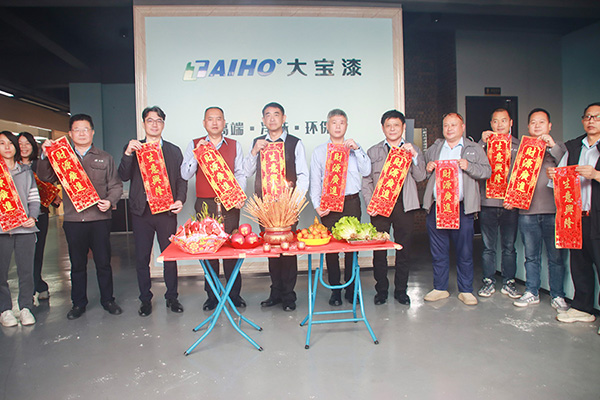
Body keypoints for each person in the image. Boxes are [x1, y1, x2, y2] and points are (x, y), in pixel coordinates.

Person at [38, 114, 123, 320]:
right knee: (77, 265)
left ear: (92, 132)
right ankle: (78, 303)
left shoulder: (105, 157)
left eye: (86, 129)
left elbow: (116, 185)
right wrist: (45, 156)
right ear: (70, 133)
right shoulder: (62, 158)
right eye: (77, 129)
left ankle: (108, 300)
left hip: (100, 219)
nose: (82, 133)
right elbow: (45, 177)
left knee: (103, 263)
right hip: (74, 221)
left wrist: (110, 201)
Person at [119, 106, 187, 317]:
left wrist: (180, 199)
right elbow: (123, 175)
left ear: (163, 124)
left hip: (166, 212)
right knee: (142, 257)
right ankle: (145, 299)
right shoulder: (134, 148)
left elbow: (181, 179)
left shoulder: (173, 151)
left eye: (158, 120)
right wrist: (128, 154)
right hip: (142, 211)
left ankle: (172, 297)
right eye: (150, 120)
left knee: (169, 256)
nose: (154, 124)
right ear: (143, 124)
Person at [244, 102, 309, 311]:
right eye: (268, 115)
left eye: (276, 114)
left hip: (287, 209)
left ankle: (289, 296)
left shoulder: (295, 143)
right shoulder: (258, 142)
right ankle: (275, 293)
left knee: (287, 252)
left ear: (284, 118)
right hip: (265, 209)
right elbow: (246, 171)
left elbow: (303, 176)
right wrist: (254, 151)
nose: (272, 119)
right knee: (271, 250)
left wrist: (293, 204)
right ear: (263, 120)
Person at [180, 106, 246, 311]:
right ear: (204, 123)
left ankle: (234, 294)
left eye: (219, 119)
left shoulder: (234, 145)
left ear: (224, 123)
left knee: (231, 247)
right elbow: (185, 174)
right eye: (210, 119)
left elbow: (240, 173)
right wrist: (196, 154)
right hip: (205, 203)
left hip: (229, 203)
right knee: (208, 249)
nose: (215, 123)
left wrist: (239, 195)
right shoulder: (195, 144)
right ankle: (212, 296)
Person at [423, 113, 491, 306]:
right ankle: (440, 288)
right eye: (446, 125)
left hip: (462, 207)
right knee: (438, 250)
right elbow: (423, 172)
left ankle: (466, 290)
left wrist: (469, 166)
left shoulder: (473, 148)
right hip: (438, 206)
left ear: (463, 127)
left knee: (465, 250)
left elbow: (487, 171)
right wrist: (428, 168)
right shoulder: (435, 148)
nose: (449, 128)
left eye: (454, 125)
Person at [362, 110, 426, 305]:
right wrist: (370, 203)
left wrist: (414, 156)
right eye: (388, 126)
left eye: (396, 125)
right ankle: (381, 290)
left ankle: (401, 290)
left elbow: (421, 176)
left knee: (403, 250)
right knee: (379, 250)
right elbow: (366, 180)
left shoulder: (412, 150)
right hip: (380, 207)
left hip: (404, 206)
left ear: (403, 127)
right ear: (383, 128)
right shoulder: (373, 151)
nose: (392, 129)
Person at [310, 109, 371, 306]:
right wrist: (317, 205)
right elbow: (315, 181)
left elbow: (367, 171)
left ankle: (351, 290)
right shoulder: (320, 151)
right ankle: (335, 290)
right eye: (334, 122)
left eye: (341, 123)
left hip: (351, 202)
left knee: (352, 248)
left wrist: (358, 149)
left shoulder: (354, 149)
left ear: (346, 126)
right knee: (331, 249)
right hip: (329, 203)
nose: (338, 126)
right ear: (327, 126)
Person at [549, 102, 600, 328]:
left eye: (596, 117)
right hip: (575, 216)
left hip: (598, 216)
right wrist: (554, 175)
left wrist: (596, 174)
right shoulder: (573, 148)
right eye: (588, 117)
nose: (591, 121)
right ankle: (582, 308)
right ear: (582, 120)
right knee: (579, 264)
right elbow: (559, 179)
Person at [512, 108, 568, 310]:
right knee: (531, 256)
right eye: (533, 122)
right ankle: (531, 291)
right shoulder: (522, 150)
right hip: (527, 212)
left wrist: (552, 146)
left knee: (556, 257)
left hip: (553, 211)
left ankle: (557, 295)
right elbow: (512, 176)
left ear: (549, 126)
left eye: (541, 122)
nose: (537, 126)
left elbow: (568, 168)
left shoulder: (560, 148)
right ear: (528, 126)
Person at [477, 109, 521, 299]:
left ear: (511, 123)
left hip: (510, 204)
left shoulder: (519, 146)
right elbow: (474, 163)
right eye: (495, 121)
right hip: (488, 203)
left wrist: (515, 198)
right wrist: (481, 143)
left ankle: (509, 282)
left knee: (509, 246)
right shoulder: (484, 144)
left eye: (504, 120)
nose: (499, 124)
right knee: (488, 246)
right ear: (491, 124)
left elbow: (524, 175)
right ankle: (488, 281)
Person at [0, 131, 40, 327]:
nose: (7, 147)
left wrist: (33, 217)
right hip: (2, 231)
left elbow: (34, 198)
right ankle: (5, 310)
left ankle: (25, 308)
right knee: (1, 273)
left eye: (10, 143)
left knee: (26, 271)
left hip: (25, 230)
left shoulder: (25, 172)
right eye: (2, 143)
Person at [18, 131, 62, 301]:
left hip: (39, 215)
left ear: (33, 146)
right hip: (18, 217)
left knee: (37, 252)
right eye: (20, 144)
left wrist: (53, 197)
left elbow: (48, 182)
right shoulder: (10, 166)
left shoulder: (39, 164)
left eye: (27, 143)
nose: (24, 147)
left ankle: (36, 283)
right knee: (23, 254)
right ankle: (32, 287)